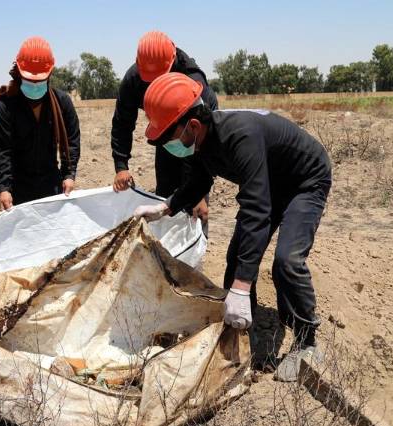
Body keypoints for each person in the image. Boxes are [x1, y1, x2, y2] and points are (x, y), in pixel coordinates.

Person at [133, 73, 332, 382]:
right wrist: (166, 207)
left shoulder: (240, 137)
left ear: (193, 126)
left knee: (287, 262)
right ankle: (243, 335)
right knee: (236, 260)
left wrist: (241, 286)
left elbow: (257, 210)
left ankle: (307, 341)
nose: (168, 146)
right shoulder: (201, 142)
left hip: (304, 181)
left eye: (169, 138)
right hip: (270, 180)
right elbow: (199, 180)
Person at [111, 31, 218, 228]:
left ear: (172, 63)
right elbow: (122, 122)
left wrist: (198, 193)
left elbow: (205, 139)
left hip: (195, 144)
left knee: (195, 210)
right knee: (164, 200)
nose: (155, 85)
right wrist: (121, 165)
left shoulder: (193, 80)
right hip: (165, 139)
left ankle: (194, 245)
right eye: (150, 80)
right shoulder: (134, 78)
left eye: (160, 77)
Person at [0, 36, 81, 209]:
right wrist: (4, 188)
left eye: (39, 80)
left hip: (51, 183)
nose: (34, 84)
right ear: (19, 72)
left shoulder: (62, 102)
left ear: (50, 74)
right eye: (29, 80)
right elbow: (2, 150)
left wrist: (69, 175)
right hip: (17, 187)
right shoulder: (4, 106)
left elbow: (72, 140)